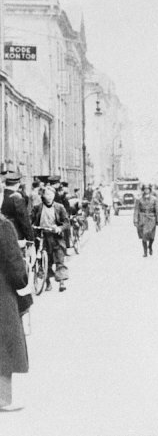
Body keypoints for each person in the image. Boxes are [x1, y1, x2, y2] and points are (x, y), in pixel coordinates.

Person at [0, 213, 29, 409]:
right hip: (2, 292)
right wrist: (23, 286)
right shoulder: (2, 226)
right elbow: (14, 263)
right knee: (4, 347)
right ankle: (3, 399)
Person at [32, 187, 70, 292]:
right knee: (45, 260)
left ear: (54, 195)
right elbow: (31, 219)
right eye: (47, 194)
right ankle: (47, 282)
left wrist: (59, 228)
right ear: (43, 195)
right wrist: (32, 227)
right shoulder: (37, 208)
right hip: (43, 237)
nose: (49, 197)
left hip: (56, 237)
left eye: (51, 195)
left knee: (59, 258)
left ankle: (61, 282)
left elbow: (66, 223)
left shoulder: (59, 207)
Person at [1, 172, 33, 242]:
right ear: (18, 184)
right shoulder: (17, 198)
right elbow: (24, 220)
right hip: (15, 235)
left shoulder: (2, 196)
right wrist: (30, 238)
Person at [133, 184, 158, 257]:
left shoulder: (154, 199)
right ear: (143, 190)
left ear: (150, 190)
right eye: (145, 189)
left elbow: (157, 210)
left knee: (152, 236)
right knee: (144, 236)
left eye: (148, 189)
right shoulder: (139, 199)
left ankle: (150, 246)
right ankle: (145, 252)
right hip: (142, 218)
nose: (146, 190)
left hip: (152, 218)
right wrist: (135, 220)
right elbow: (136, 210)